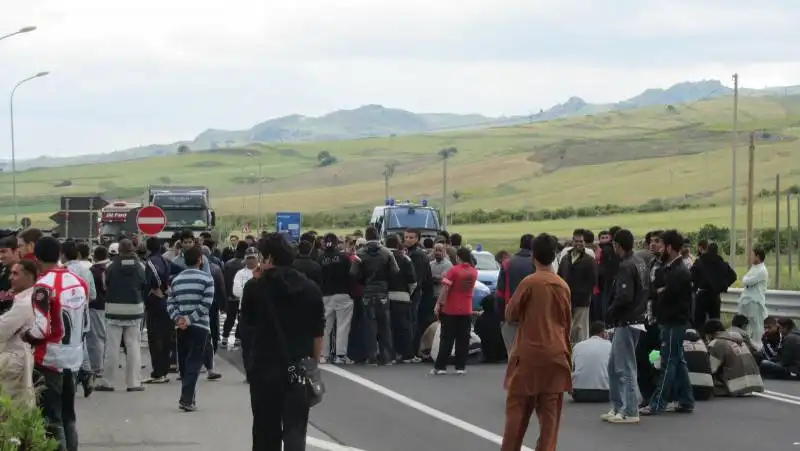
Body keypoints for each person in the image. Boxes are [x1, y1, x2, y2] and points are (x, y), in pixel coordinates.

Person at [240, 233, 324, 451]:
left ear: (268, 258)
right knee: (296, 429)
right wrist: (313, 364)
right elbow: (317, 332)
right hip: (297, 367)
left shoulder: (254, 288)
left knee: (265, 429)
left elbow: (246, 331)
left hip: (263, 367)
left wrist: (249, 365)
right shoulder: (310, 288)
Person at [501, 233, 571, 451]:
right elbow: (566, 322)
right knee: (550, 417)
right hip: (556, 353)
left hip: (529, 353)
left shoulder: (530, 282)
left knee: (517, 412)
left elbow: (511, 313)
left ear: (533, 255)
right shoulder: (562, 285)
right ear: (554, 256)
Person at [25, 236, 88, 450]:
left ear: (36, 258)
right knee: (69, 416)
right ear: (60, 254)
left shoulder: (43, 287)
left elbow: (40, 328)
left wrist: (25, 336)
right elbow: (85, 324)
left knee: (52, 418)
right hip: (74, 357)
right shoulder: (79, 282)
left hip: (49, 359)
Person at [642, 229, 695, 415]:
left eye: (662, 244)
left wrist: (660, 293)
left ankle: (657, 403)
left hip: (673, 322)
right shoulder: (670, 268)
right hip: (671, 321)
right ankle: (687, 400)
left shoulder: (678, 271)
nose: (659, 248)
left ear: (670, 247)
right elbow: (658, 290)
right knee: (678, 361)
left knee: (668, 363)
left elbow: (663, 295)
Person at [602, 229, 647, 423]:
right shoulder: (640, 262)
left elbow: (624, 296)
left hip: (627, 321)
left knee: (625, 367)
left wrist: (610, 311)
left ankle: (630, 410)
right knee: (613, 365)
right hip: (636, 319)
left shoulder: (626, 266)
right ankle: (618, 406)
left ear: (618, 246)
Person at [95, 239, 146, 392]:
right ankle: (134, 382)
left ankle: (108, 382)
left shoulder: (110, 266)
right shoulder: (140, 266)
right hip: (135, 309)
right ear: (132, 249)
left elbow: (105, 285)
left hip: (114, 309)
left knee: (112, 347)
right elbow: (144, 284)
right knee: (133, 346)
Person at [167, 246, 214, 411]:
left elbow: (170, 303)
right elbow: (206, 304)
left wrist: (179, 319)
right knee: (194, 363)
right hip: (200, 327)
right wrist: (189, 319)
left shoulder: (176, 280)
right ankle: (187, 400)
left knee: (184, 364)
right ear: (200, 260)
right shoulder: (207, 279)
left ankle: (187, 398)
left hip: (181, 327)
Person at [350, 226, 399, 366]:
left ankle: (372, 356)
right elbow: (395, 271)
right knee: (384, 325)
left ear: (366, 236)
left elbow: (353, 273)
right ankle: (386, 357)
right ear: (378, 236)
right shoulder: (387, 252)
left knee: (369, 325)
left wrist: (363, 280)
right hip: (382, 292)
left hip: (367, 292)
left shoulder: (359, 253)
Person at [432, 247, 477, 375]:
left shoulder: (454, 271)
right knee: (463, 338)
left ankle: (440, 366)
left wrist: (438, 304)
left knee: (447, 338)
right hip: (466, 308)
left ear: (458, 257)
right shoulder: (474, 272)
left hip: (451, 309)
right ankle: (460, 366)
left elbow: (445, 289)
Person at [0, 260, 37, 404]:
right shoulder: (32, 297)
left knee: (9, 409)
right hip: (21, 358)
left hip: (14, 361)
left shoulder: (25, 303)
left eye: (15, 274)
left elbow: (2, 330)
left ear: (29, 277)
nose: (10, 278)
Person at [318, 233, 356, 364]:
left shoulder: (320, 259)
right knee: (343, 326)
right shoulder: (344, 257)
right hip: (343, 294)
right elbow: (351, 275)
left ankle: (323, 354)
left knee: (325, 327)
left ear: (324, 243)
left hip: (325, 295)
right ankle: (340, 355)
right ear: (336, 243)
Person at [496, 234, 535, 354]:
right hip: (532, 313)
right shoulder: (536, 264)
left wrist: (501, 315)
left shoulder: (507, 263)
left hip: (511, 310)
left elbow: (499, 293)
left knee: (513, 351)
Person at [557, 229, 598, 344]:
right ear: (572, 241)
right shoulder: (565, 258)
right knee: (567, 330)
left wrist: (584, 293)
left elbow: (593, 281)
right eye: (576, 241)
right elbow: (559, 276)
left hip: (582, 301)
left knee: (580, 330)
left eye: (581, 241)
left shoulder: (589, 260)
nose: (579, 244)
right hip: (566, 300)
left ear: (585, 242)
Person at [704, 319, 764, 396]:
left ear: (709, 334)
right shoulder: (739, 340)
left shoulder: (717, 343)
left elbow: (711, 369)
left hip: (735, 386)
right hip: (753, 385)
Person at [143, 237, 174, 384]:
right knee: (165, 336)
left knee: (155, 338)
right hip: (165, 301)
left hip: (156, 301)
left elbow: (153, 278)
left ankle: (158, 372)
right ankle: (164, 370)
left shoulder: (151, 261)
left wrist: (155, 288)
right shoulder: (164, 260)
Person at [386, 235, 417, 363]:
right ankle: (406, 354)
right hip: (402, 296)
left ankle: (390, 354)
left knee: (388, 327)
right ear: (398, 244)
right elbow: (413, 281)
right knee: (404, 327)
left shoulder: (383, 257)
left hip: (385, 295)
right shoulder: (405, 259)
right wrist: (408, 293)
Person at [690, 242, 736, 328]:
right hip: (715, 295)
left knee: (699, 322)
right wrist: (723, 285)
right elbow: (733, 276)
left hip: (702, 294)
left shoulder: (700, 261)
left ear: (707, 250)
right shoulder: (721, 263)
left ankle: (701, 338)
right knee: (715, 322)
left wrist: (696, 287)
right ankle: (714, 339)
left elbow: (692, 276)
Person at [571, 321, 611, 403]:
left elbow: (572, 367)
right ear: (603, 333)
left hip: (579, 393)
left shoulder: (578, 345)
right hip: (605, 393)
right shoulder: (610, 345)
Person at [738, 248, 769, 342]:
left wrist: (746, 280)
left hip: (756, 302)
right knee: (747, 326)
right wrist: (746, 280)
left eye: (752, 255)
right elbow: (744, 279)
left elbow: (749, 281)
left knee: (757, 328)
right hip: (747, 301)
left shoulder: (762, 270)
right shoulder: (754, 267)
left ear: (758, 257)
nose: (750, 257)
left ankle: (758, 347)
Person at [222, 241, 248, 348]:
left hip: (230, 296)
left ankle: (225, 337)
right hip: (243, 296)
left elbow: (224, 281)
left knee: (230, 317)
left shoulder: (228, 263)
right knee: (241, 317)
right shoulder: (247, 265)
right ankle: (238, 338)